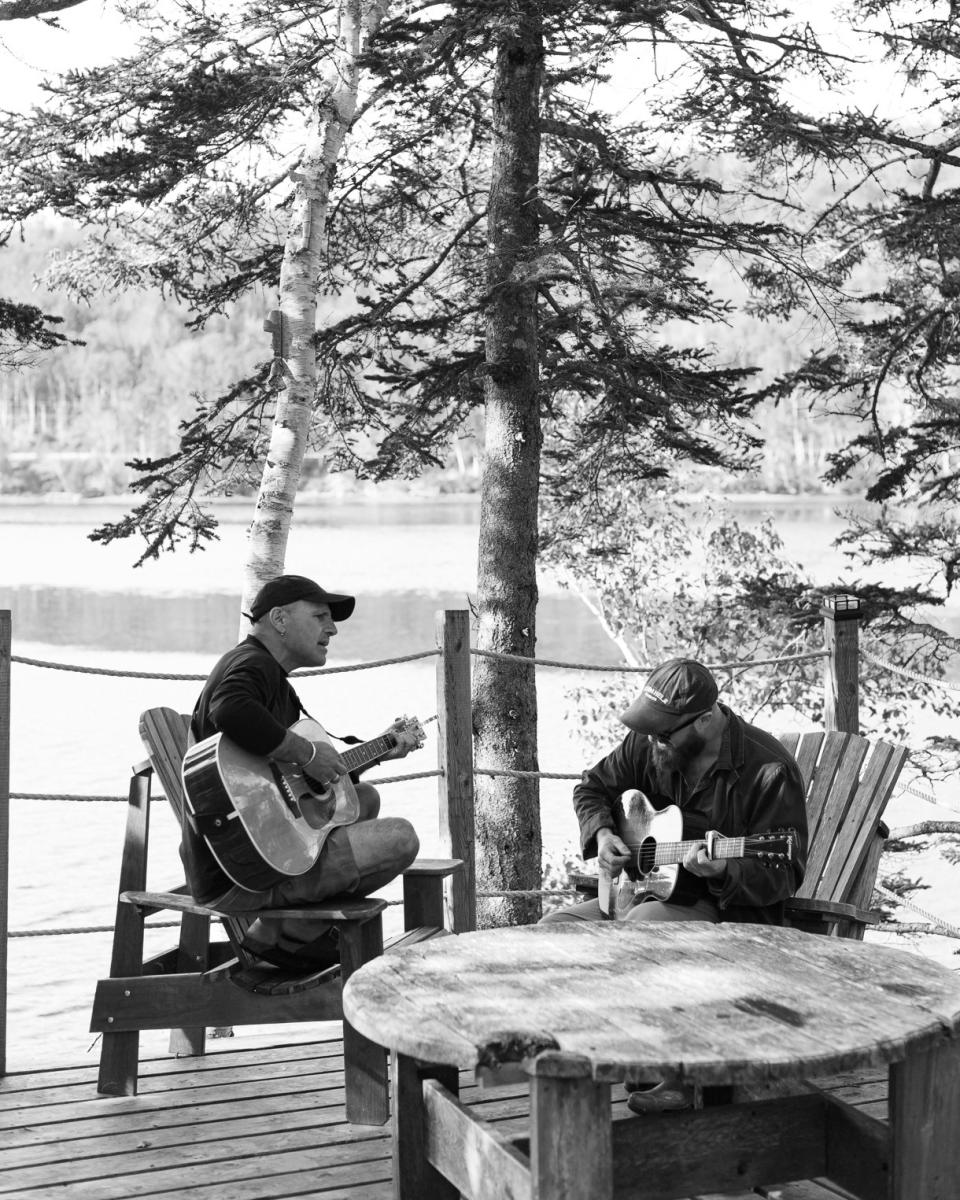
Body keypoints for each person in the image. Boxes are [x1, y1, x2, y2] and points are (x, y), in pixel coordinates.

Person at [541, 656, 808, 1111]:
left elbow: (785, 872)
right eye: (649, 730)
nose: (652, 741)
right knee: (554, 930)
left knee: (644, 930)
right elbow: (592, 787)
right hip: (644, 892)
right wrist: (604, 834)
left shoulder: (769, 771)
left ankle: (681, 1078)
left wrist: (724, 871)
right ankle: (616, 1057)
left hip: (729, 913)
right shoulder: (652, 743)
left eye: (664, 733)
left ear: (705, 719)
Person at [184, 574, 420, 971]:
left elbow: (293, 782)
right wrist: (308, 754)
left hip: (256, 849)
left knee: (364, 799)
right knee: (401, 839)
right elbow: (230, 710)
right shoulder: (251, 663)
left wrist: (377, 750)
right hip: (244, 872)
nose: (332, 629)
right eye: (320, 616)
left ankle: (283, 935)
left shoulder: (270, 677)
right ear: (278, 618)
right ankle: (289, 937)